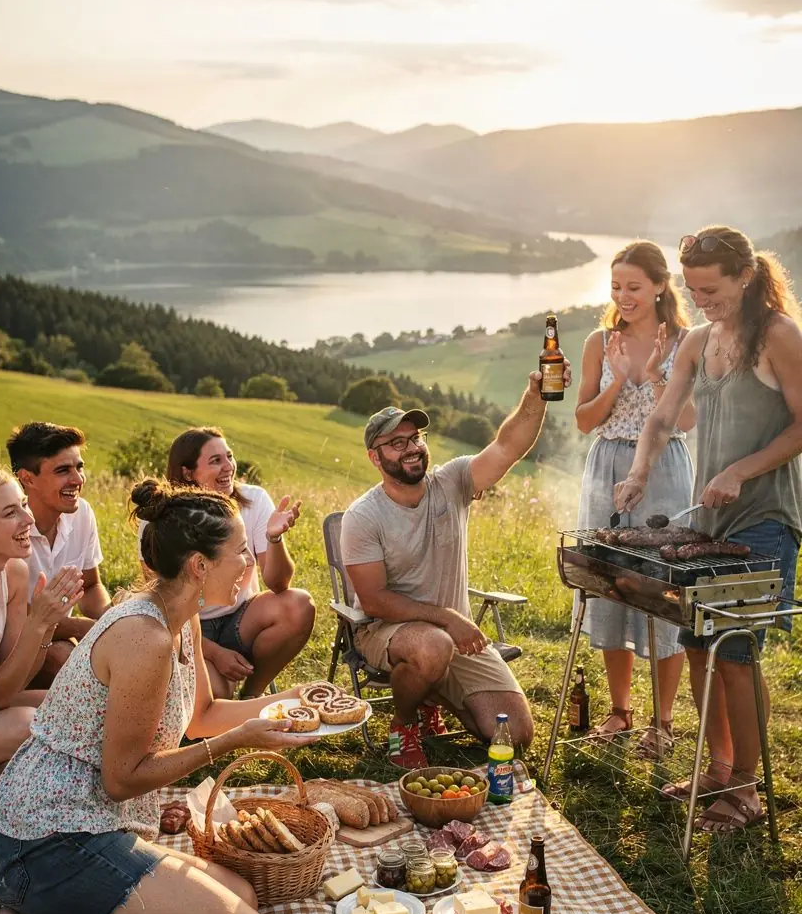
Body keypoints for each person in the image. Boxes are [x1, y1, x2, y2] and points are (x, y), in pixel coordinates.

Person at [0, 479, 317, 914]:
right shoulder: (144, 636)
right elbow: (123, 779)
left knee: (238, 897)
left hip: (76, 830)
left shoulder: (179, 616)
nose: (251, 562)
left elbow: (202, 717)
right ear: (198, 565)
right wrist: (237, 744)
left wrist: (285, 706)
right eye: (240, 552)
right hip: (50, 843)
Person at [615, 225, 802, 833]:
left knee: (737, 654)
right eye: (693, 290)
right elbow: (663, 416)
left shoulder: (778, 336)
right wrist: (640, 471)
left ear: (746, 276)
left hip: (767, 518)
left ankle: (747, 790)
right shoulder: (697, 339)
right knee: (698, 644)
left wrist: (743, 470)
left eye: (712, 290)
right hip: (711, 521)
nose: (702, 302)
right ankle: (718, 767)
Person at [341, 373, 570, 769]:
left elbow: (507, 446)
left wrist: (536, 396)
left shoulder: (452, 482)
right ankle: (405, 723)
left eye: (416, 438)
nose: (411, 448)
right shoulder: (363, 516)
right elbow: (375, 600)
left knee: (513, 736)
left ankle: (430, 691)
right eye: (397, 443)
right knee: (432, 646)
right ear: (375, 457)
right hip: (385, 631)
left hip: (452, 637)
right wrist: (447, 617)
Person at [574, 241, 696, 756]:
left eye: (634, 287)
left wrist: (653, 379)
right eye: (616, 287)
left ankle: (662, 721)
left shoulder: (688, 341)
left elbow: (689, 420)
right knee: (611, 584)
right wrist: (619, 380)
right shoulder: (599, 342)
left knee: (664, 587)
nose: (623, 296)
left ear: (661, 286)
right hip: (606, 464)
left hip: (666, 467)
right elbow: (583, 420)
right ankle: (620, 710)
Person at [163, 427, 315, 698]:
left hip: (242, 616)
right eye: (215, 461)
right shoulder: (163, 516)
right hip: (188, 624)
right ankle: (217, 685)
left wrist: (274, 539)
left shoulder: (254, 500)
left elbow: (279, 584)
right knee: (218, 696)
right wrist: (214, 653)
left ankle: (252, 694)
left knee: (298, 605)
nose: (228, 467)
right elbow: (164, 603)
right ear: (188, 473)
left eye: (229, 457)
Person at [0, 464, 83, 789]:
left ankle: (4, 788)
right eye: (11, 512)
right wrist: (38, 622)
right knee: (29, 723)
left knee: (77, 705)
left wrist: (47, 625)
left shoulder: (12, 572)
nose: (28, 521)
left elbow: (17, 679)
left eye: (24, 505)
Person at [7, 422, 111, 684]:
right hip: (11, 644)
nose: (78, 480)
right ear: (27, 478)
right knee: (63, 657)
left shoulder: (82, 513)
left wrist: (113, 617)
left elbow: (89, 586)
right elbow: (16, 618)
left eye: (79, 467)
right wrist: (85, 628)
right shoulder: (5, 527)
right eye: (63, 470)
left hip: (56, 632)